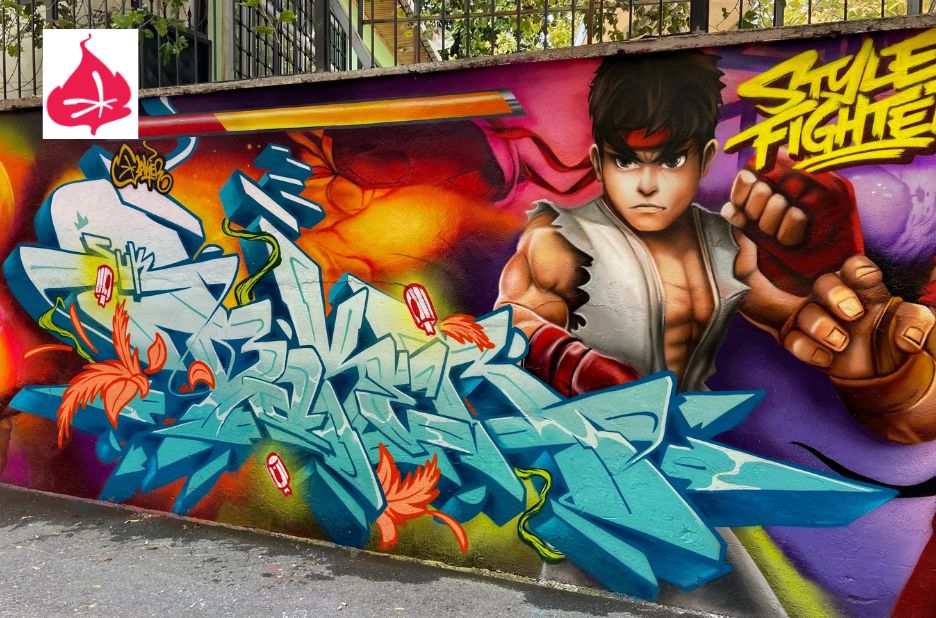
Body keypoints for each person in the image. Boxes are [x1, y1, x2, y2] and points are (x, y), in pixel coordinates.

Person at [495, 50, 936, 445]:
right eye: (625, 161)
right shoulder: (562, 240)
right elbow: (507, 333)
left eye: (671, 160)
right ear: (598, 162)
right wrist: (580, 370)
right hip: (578, 457)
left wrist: (881, 363)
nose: (647, 185)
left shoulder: (726, 243)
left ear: (704, 159)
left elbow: (798, 323)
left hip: (682, 460)